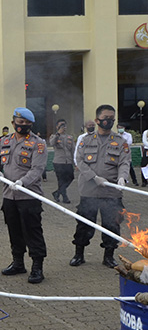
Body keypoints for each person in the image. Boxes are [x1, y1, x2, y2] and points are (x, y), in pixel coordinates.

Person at [0, 107, 48, 284]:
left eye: (27, 124)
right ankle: (18, 263)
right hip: (9, 197)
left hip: (29, 196)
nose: (23, 126)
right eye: (20, 123)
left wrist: (22, 182)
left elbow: (37, 169)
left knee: (32, 232)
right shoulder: (4, 141)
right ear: (13, 123)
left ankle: (37, 267)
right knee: (14, 231)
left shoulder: (38, 143)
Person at [70, 105, 130, 269]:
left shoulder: (120, 142)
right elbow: (79, 161)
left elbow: (124, 162)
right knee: (84, 224)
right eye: (105, 118)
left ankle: (109, 256)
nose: (109, 121)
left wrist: (122, 178)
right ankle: (79, 254)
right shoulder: (85, 140)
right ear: (97, 120)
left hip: (111, 192)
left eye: (112, 118)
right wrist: (94, 177)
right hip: (89, 191)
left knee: (112, 224)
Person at [49, 119, 74, 204]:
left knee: (71, 178)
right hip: (59, 162)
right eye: (61, 126)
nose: (63, 127)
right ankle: (65, 197)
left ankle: (57, 193)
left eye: (64, 125)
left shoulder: (70, 137)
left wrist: (75, 162)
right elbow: (52, 143)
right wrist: (58, 134)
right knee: (61, 180)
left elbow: (73, 150)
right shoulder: (54, 136)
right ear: (57, 127)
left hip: (68, 162)